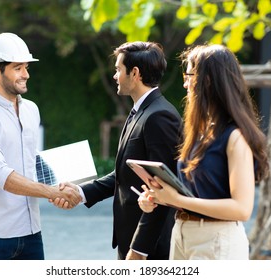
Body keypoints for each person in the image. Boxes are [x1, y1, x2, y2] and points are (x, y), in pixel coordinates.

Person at [138, 44, 269, 260]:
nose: (184, 83)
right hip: (182, 234)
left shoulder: (235, 136)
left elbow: (242, 209)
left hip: (217, 240)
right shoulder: (199, 132)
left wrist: (179, 201)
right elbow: (195, 193)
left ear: (208, 80)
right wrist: (160, 197)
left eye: (188, 75)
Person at [54, 41, 182, 260]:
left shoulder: (159, 116)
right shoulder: (140, 111)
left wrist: (140, 250)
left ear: (135, 73)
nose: (115, 76)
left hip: (150, 248)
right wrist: (81, 192)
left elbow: (163, 188)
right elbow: (124, 174)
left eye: (118, 70)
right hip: (130, 240)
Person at [0, 32, 81, 260]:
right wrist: (52, 192)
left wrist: (61, 188)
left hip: (31, 233)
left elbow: (30, 162)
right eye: (18, 68)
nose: (26, 74)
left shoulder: (31, 110)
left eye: (26, 67)